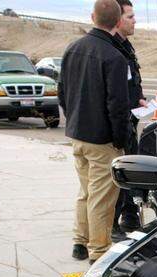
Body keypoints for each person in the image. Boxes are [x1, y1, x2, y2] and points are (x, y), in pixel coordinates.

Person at [59, 0, 131, 263]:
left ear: (92, 17)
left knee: (86, 191)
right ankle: (98, 252)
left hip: (77, 135)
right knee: (101, 198)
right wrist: (120, 140)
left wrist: (73, 120)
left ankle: (80, 242)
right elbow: (118, 106)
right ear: (118, 22)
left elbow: (62, 92)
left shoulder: (72, 49)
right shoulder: (114, 57)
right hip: (102, 141)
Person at [111, 0, 144, 236]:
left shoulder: (126, 47)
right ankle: (112, 224)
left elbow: (132, 83)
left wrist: (141, 101)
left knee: (130, 173)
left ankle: (130, 216)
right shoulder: (111, 51)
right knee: (117, 175)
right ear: (117, 19)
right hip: (119, 126)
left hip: (131, 121)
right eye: (130, 17)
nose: (135, 21)